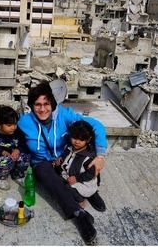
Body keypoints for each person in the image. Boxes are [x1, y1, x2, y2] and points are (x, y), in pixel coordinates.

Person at [17, 80, 108, 243]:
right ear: (31, 106)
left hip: (65, 159)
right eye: (37, 104)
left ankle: (91, 190)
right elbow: (7, 136)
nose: (43, 109)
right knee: (50, 178)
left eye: (46, 103)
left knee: (86, 144)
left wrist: (100, 156)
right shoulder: (24, 122)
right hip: (43, 164)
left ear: (52, 103)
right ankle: (79, 214)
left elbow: (96, 126)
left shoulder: (64, 116)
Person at [59, 120, 106, 212]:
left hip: (84, 181)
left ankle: (82, 200)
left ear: (88, 140)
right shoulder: (69, 148)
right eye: (74, 138)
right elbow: (66, 157)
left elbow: (90, 174)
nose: (77, 142)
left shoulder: (89, 157)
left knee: (68, 188)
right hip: (71, 174)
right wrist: (60, 160)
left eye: (81, 139)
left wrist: (77, 178)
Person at [0, 105, 30, 190]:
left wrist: (18, 150)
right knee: (5, 160)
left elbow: (24, 145)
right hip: (1, 163)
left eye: (15, 124)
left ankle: (17, 175)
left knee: (25, 157)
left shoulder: (18, 133)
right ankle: (1, 178)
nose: (13, 127)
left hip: (14, 160)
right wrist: (1, 152)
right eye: (9, 125)